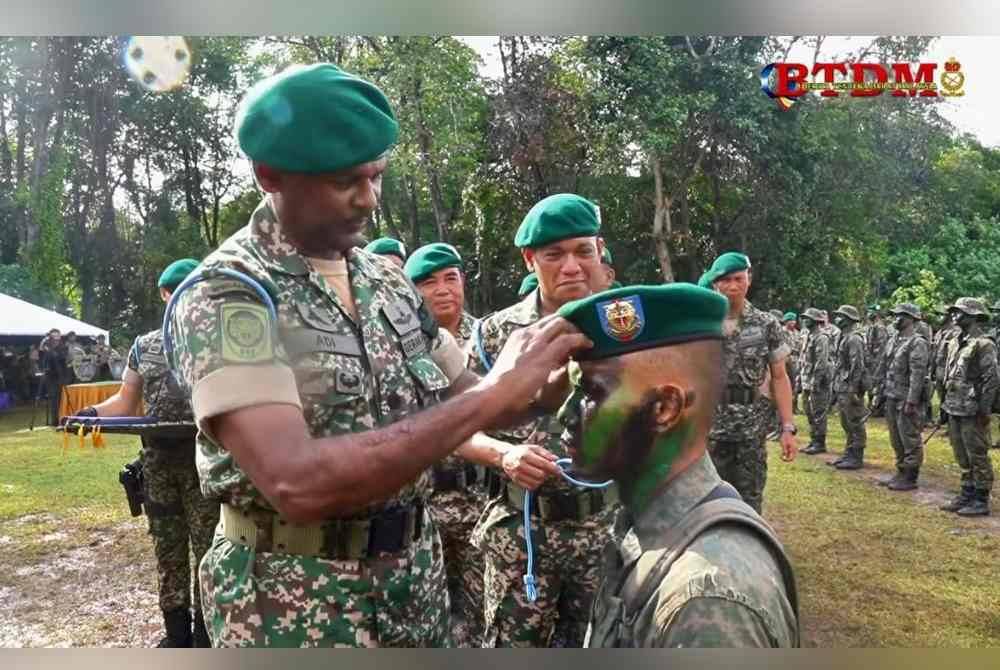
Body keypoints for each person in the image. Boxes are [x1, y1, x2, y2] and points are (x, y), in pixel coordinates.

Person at [168, 63, 589, 648]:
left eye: (377, 176)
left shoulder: (385, 282)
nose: (369, 199)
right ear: (271, 175)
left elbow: (470, 397)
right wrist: (496, 394)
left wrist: (555, 370)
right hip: (292, 605)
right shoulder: (230, 293)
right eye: (346, 181)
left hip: (411, 590)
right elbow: (295, 481)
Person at [553, 283, 799, 648]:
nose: (565, 414)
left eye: (591, 393)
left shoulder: (708, 599)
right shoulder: (647, 521)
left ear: (664, 409)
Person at [467, 192, 613, 648]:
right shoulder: (495, 333)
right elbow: (456, 427)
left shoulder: (627, 325)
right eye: (554, 254)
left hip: (604, 533)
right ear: (531, 259)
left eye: (583, 251)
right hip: (522, 539)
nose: (571, 266)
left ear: (599, 251)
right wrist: (505, 454)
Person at [80, 259, 220, 647]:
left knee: (208, 548)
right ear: (164, 295)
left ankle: (206, 636)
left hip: (203, 462)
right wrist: (92, 413)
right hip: (158, 464)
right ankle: (176, 635)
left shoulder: (218, 344)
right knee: (167, 546)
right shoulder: (145, 346)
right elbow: (126, 401)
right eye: (177, 292)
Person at [403, 242, 485, 646]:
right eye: (428, 283)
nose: (442, 290)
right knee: (427, 615)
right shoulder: (399, 346)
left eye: (450, 278)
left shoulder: (489, 336)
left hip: (477, 499)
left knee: (481, 612)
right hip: (426, 504)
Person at [698, 252, 797, 514]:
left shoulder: (766, 324)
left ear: (749, 279)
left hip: (750, 432)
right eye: (725, 280)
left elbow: (780, 377)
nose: (732, 286)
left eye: (738, 278)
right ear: (714, 283)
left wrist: (787, 427)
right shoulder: (700, 324)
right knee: (706, 502)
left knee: (749, 503)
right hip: (708, 431)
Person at [938, 298, 998, 515]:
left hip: (973, 408)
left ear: (972, 316)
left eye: (960, 312)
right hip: (954, 405)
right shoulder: (955, 341)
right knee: (961, 452)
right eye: (954, 312)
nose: (955, 316)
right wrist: (944, 404)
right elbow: (949, 374)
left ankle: (981, 499)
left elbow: (991, 379)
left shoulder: (984, 344)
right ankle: (967, 492)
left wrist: (984, 409)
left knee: (977, 453)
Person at [880, 303, 930, 491]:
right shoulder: (894, 339)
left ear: (911, 319)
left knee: (909, 437)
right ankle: (900, 470)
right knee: (896, 437)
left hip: (906, 397)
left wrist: (912, 400)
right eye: (895, 315)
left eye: (901, 315)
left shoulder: (917, 342)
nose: (896, 319)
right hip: (892, 394)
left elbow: (917, 373)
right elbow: (886, 367)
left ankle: (910, 475)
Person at [829, 305, 868, 469]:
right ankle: (849, 452)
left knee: (854, 422)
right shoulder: (843, 336)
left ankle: (856, 456)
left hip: (850, 387)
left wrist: (853, 389)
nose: (837, 319)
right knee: (846, 422)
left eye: (841, 316)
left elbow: (857, 366)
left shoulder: (854, 339)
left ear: (849, 319)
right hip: (842, 385)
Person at [799, 308, 832, 455]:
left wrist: (816, 382)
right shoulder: (808, 335)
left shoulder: (821, 338)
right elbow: (804, 360)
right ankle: (813, 440)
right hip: (807, 379)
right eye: (804, 318)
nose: (805, 320)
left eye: (808, 318)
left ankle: (820, 442)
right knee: (809, 411)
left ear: (816, 321)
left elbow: (821, 362)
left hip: (817, 382)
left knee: (818, 412)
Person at [38, 328, 70, 425]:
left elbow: (61, 357)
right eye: (53, 336)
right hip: (50, 376)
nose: (56, 338)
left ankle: (64, 417)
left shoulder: (63, 347)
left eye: (57, 336)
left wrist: (50, 350)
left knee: (62, 398)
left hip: (61, 375)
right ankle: (55, 421)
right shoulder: (47, 347)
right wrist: (43, 343)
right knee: (54, 399)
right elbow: (41, 354)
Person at [864, 306, 889, 412]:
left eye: (871, 312)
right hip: (871, 362)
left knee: (878, 384)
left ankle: (878, 408)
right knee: (871, 384)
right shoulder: (872, 327)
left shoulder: (880, 327)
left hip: (877, 362)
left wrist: (877, 363)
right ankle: (872, 405)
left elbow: (882, 347)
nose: (869, 314)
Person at [781, 312, 804, 414]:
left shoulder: (797, 333)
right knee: (784, 383)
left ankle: (794, 407)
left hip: (795, 360)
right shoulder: (781, 332)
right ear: (786, 321)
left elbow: (800, 347)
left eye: (794, 320)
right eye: (790, 320)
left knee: (795, 384)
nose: (793, 322)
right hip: (785, 359)